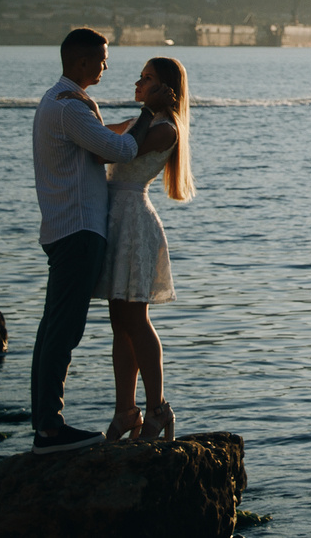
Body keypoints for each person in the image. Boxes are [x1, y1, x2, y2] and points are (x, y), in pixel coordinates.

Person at [29, 27, 153, 451]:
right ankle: (49, 429)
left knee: (53, 329)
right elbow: (117, 151)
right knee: (63, 331)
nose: (105, 65)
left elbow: (104, 138)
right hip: (78, 230)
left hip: (64, 229)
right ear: (81, 62)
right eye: (101, 58)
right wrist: (151, 116)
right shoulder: (71, 108)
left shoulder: (61, 101)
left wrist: (133, 123)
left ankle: (45, 423)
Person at [88, 55, 195, 442]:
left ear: (164, 87)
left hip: (133, 222)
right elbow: (100, 135)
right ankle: (125, 410)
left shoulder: (165, 128)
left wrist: (150, 110)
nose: (138, 81)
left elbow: (118, 151)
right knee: (121, 324)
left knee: (136, 320)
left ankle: (157, 408)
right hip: (118, 219)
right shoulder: (143, 121)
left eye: (146, 78)